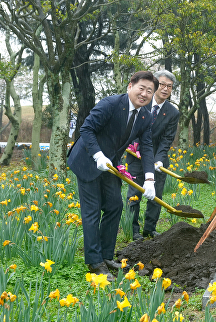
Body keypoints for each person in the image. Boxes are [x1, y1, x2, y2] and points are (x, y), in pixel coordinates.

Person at [68, 71, 158, 281]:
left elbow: (146, 146)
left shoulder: (145, 116)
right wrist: (97, 155)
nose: (144, 94)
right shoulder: (110, 104)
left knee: (115, 206)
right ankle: (94, 262)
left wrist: (150, 178)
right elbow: (87, 129)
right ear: (130, 86)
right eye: (141, 88)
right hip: (88, 159)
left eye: (149, 91)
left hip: (110, 165)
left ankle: (106, 256)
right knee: (91, 211)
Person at [127, 70, 180, 240]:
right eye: (162, 85)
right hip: (137, 157)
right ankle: (133, 229)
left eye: (169, 87)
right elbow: (132, 129)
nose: (165, 89)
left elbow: (167, 140)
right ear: (156, 85)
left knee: (156, 196)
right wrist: (135, 148)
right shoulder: (142, 102)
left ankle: (150, 228)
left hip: (158, 159)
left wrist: (158, 160)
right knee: (134, 194)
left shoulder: (173, 112)